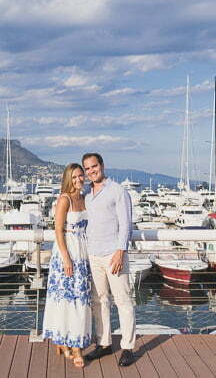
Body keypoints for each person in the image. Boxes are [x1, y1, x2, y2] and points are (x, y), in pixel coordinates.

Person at [82, 152, 136, 367]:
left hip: (114, 255)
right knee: (99, 301)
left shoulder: (117, 191)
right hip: (93, 255)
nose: (91, 171)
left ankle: (128, 347)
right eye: (87, 168)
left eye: (94, 166)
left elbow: (126, 224)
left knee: (123, 301)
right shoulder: (87, 194)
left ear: (102, 166)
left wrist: (120, 251)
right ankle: (104, 343)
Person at [41, 163, 92, 368]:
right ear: (67, 179)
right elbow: (58, 230)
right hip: (67, 252)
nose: (79, 180)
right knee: (64, 299)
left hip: (83, 251)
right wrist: (65, 258)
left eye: (81, 176)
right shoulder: (65, 199)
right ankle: (66, 342)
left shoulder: (85, 197)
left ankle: (74, 343)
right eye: (74, 177)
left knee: (81, 299)